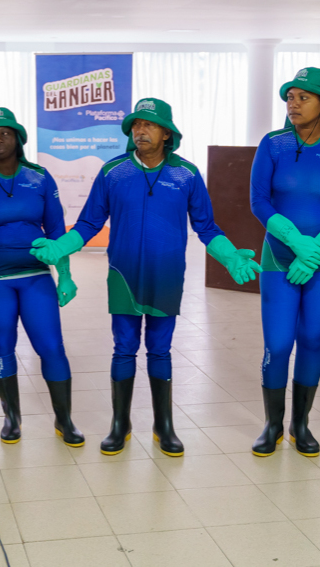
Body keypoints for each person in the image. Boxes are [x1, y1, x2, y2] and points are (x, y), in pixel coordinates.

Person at [31, 98, 260, 457]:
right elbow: (90, 222)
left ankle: (163, 426)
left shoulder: (186, 174)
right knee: (123, 347)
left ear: (167, 133)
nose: (140, 130)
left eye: (149, 125)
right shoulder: (113, 172)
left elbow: (206, 227)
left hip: (166, 275)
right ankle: (120, 424)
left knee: (160, 348)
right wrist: (61, 248)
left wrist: (229, 256)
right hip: (123, 274)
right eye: (136, 124)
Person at [249, 67, 320, 458]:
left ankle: (301, 425)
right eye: (290, 97)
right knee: (278, 345)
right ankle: (273, 424)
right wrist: (296, 242)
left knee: (311, 339)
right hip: (279, 257)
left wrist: (315, 251)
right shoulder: (273, 143)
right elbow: (259, 201)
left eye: (303, 97)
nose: (293, 104)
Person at [0, 107, 84, 446]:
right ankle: (11, 418)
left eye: (5, 133)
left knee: (51, 346)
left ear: (18, 138)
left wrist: (65, 275)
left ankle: (65, 419)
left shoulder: (40, 178)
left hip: (35, 271)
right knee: (1, 344)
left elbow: (56, 229)